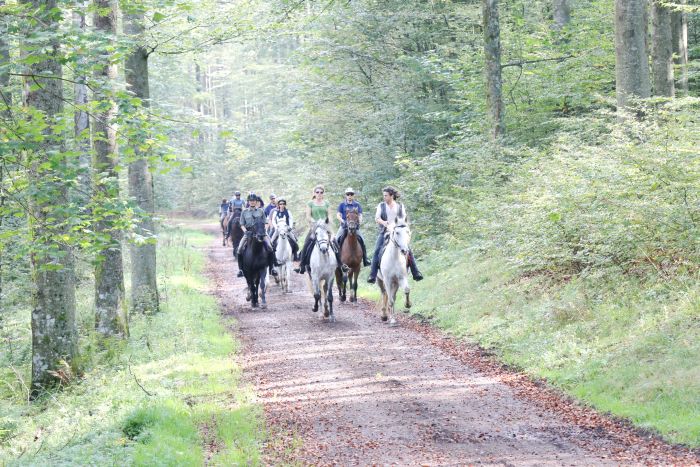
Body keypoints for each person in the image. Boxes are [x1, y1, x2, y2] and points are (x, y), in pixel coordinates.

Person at [367, 186, 423, 283]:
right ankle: (372, 275)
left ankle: (415, 272)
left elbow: (404, 220)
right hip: (385, 232)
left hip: (398, 232)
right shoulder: (381, 206)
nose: (384, 197)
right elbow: (377, 218)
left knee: (408, 249)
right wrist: (384, 223)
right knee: (377, 251)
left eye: (386, 195)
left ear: (391, 196)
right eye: (384, 195)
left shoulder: (400, 206)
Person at [295, 185, 344, 274]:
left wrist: (328, 222)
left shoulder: (326, 203)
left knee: (335, 243)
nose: (319, 194)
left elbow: (329, 215)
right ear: (314, 193)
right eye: (317, 192)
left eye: (321, 192)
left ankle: (340, 264)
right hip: (315, 227)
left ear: (323, 194)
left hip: (325, 227)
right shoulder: (310, 203)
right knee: (306, 244)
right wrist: (315, 222)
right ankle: (302, 265)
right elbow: (308, 216)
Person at [236, 194, 278, 278]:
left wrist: (264, 230)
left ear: (256, 202)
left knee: (270, 247)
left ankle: (272, 268)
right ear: (248, 202)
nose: (252, 202)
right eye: (250, 201)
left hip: (261, 232)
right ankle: (240, 269)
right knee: (240, 248)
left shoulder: (260, 211)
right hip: (249, 232)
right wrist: (245, 232)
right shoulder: (244, 212)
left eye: (254, 201)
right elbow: (242, 224)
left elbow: (266, 222)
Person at [335, 187, 371, 266]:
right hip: (344, 226)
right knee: (336, 240)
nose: (349, 196)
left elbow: (360, 215)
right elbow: (338, 215)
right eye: (348, 194)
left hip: (355, 226)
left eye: (351, 194)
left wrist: (359, 222)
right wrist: (343, 221)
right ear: (346, 195)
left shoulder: (357, 204)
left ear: (353, 195)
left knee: (362, 240)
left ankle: (365, 259)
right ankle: (336, 259)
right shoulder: (342, 204)